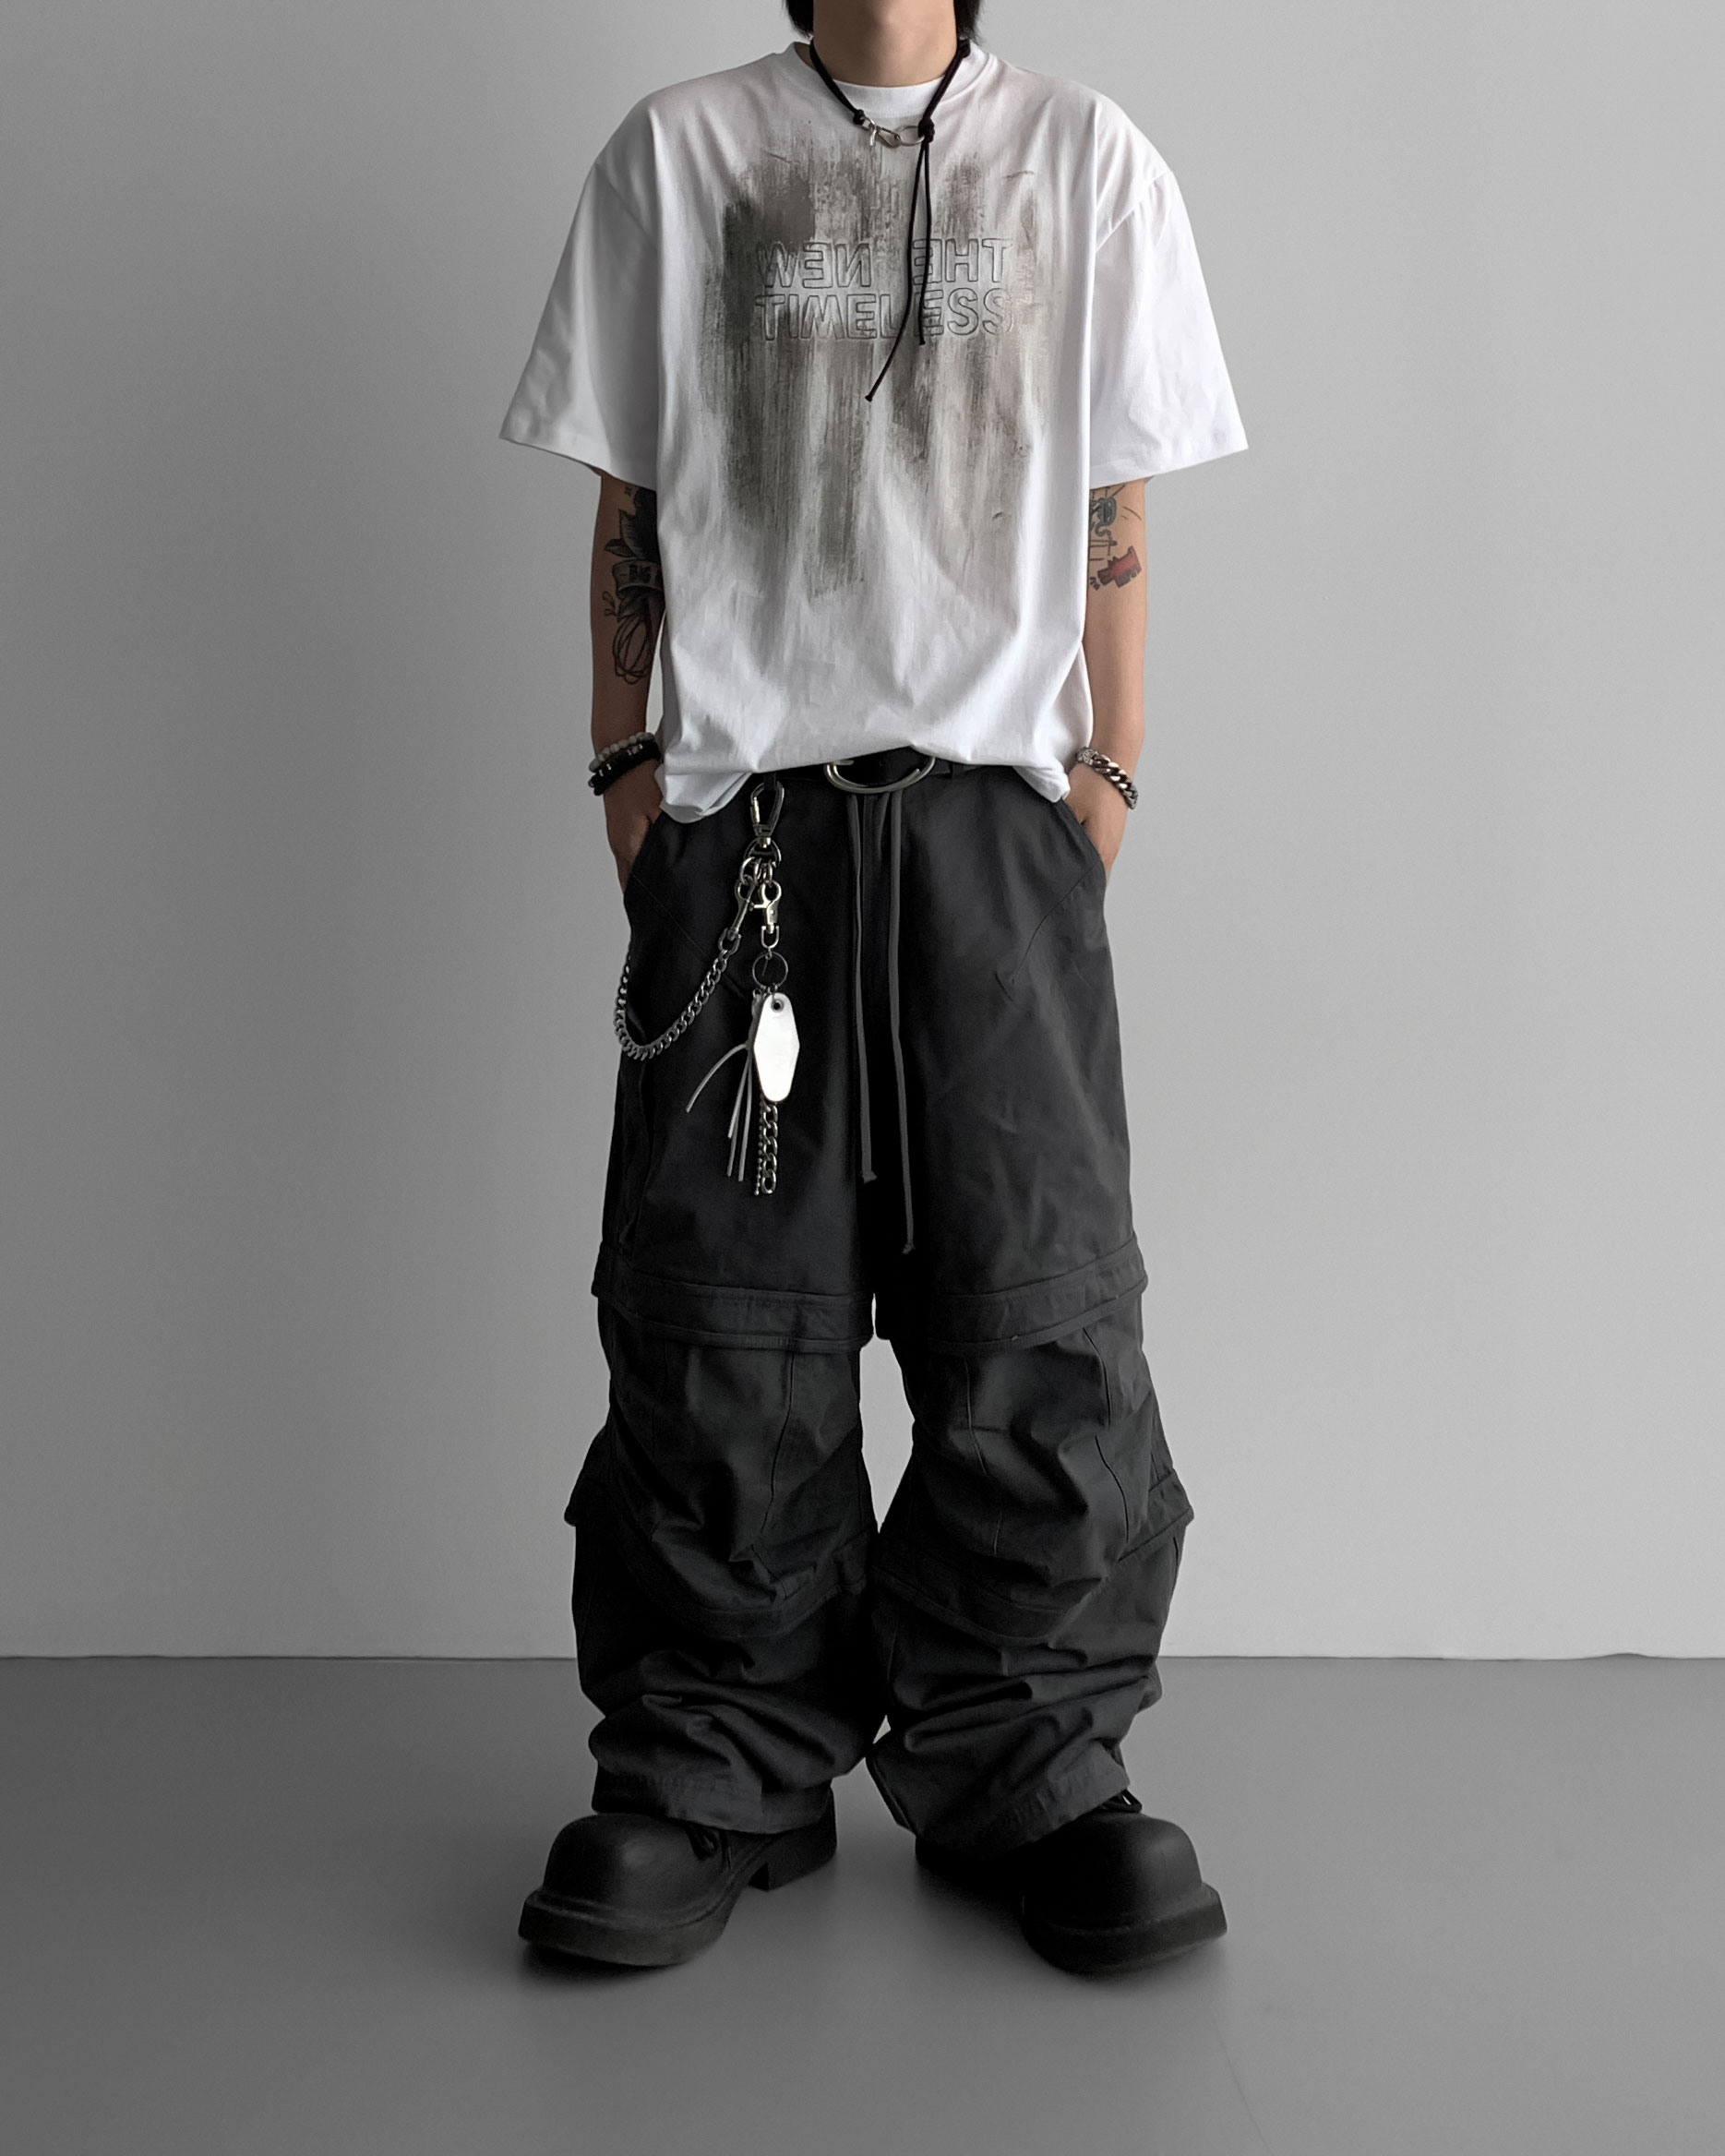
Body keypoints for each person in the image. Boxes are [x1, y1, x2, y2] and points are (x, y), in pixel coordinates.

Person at [498, 0, 1245, 1975]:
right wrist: (626, 773)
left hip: (998, 822)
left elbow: (1117, 503)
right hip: (747, 830)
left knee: (1036, 1302)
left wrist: (1105, 776)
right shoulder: (680, 154)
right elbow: (629, 493)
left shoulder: (1083, 160)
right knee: (719, 1310)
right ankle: (715, 1759)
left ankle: (1031, 1761)